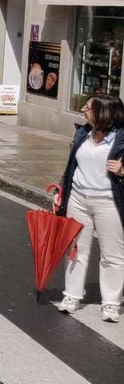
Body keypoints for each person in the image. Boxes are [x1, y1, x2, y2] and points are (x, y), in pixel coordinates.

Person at [54, 95, 124, 322]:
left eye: (89, 107)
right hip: (78, 198)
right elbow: (70, 167)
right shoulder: (82, 133)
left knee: (112, 254)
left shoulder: (121, 138)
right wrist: (61, 192)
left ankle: (111, 303)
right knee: (75, 250)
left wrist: (123, 171)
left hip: (108, 201)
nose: (84, 109)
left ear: (103, 113)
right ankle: (72, 295)